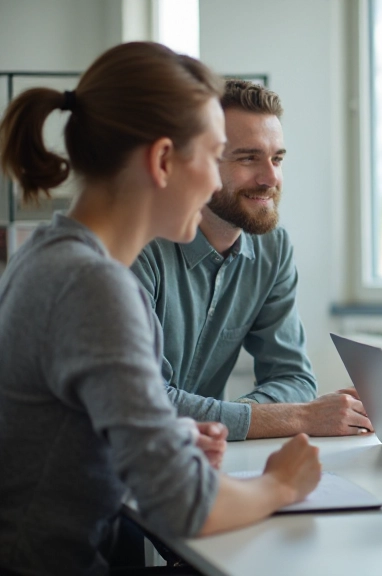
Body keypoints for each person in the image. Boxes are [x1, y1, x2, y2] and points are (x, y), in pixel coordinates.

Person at [0, 42, 321, 575]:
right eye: (216, 157)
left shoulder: (53, 254)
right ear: (164, 161)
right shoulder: (94, 285)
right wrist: (281, 483)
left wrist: (167, 439)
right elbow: (184, 506)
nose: (217, 183)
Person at [131, 80, 372, 442]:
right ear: (200, 161)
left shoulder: (272, 248)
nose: (271, 177)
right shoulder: (139, 247)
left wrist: (250, 416)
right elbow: (146, 403)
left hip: (198, 459)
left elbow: (293, 377)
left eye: (277, 159)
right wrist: (294, 418)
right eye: (248, 158)